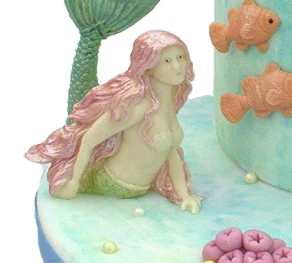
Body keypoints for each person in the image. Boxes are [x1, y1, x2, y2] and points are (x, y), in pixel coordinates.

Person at [25, 30, 202, 213]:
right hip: (112, 184)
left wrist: (184, 195)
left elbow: (170, 152)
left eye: (180, 57)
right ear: (148, 66)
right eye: (166, 61)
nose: (177, 66)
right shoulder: (137, 105)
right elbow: (89, 139)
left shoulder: (169, 102)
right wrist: (74, 182)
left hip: (140, 190)